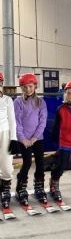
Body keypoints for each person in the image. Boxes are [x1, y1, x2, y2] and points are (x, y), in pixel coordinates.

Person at [13, 74, 48, 205]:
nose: (28, 89)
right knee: (27, 162)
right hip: (23, 139)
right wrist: (23, 138)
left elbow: (42, 122)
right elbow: (17, 122)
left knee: (40, 162)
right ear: (21, 88)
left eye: (30, 86)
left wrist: (34, 138)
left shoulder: (41, 102)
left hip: (37, 138)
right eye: (25, 87)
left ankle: (39, 186)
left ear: (35, 86)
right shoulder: (18, 102)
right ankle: (20, 188)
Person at [0, 72, 18, 211]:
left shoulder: (7, 100)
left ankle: (5, 190)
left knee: (6, 166)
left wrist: (13, 139)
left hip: (5, 134)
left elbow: (12, 121)